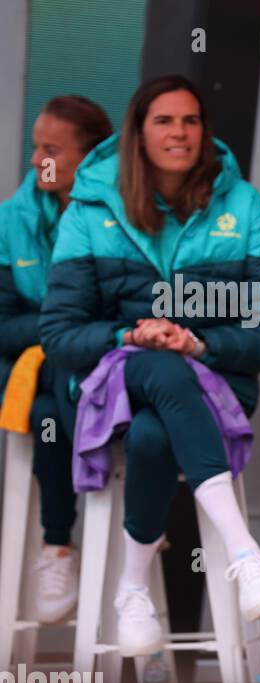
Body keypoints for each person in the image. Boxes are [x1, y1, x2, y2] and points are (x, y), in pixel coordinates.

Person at [39, 75, 260, 655]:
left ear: (204, 131)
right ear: (137, 132)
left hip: (213, 381)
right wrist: (132, 332)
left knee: (156, 430)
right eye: (164, 120)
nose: (179, 132)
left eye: (190, 120)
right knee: (156, 368)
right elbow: (60, 332)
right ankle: (244, 552)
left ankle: (132, 590)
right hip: (110, 380)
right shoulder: (90, 204)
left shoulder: (247, 207)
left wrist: (198, 344)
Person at [0, 95, 112, 623]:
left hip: (99, 370)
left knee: (51, 406)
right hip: (37, 370)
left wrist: (59, 330)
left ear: (89, 159)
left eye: (49, 149)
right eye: (34, 146)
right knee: (51, 385)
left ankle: (57, 549)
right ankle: (65, 546)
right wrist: (60, 329)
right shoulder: (13, 217)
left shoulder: (118, 214)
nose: (35, 160)